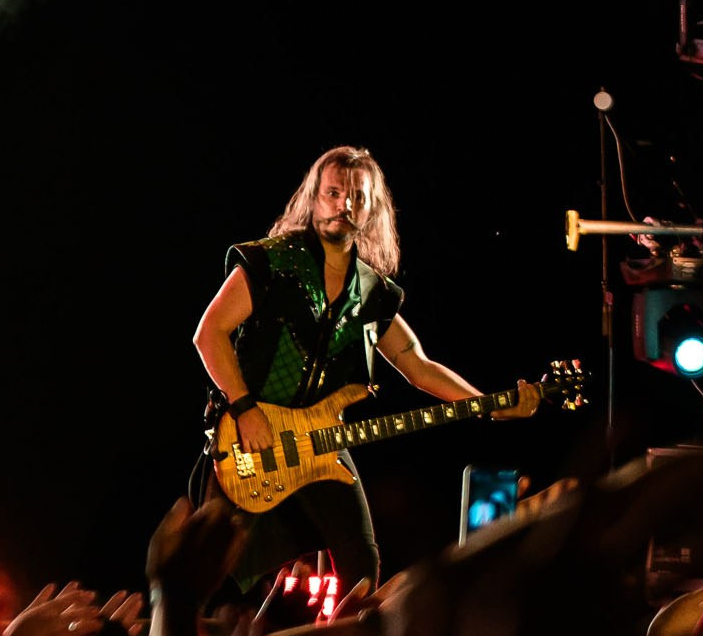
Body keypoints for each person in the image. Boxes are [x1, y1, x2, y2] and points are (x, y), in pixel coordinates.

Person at [190, 145, 535, 593]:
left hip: (320, 441)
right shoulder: (271, 262)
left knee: (361, 566)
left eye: (357, 196)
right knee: (203, 570)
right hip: (247, 436)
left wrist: (492, 405)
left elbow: (417, 365)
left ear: (372, 209)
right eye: (333, 193)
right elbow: (209, 334)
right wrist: (245, 407)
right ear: (314, 198)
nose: (344, 204)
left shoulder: (373, 290)